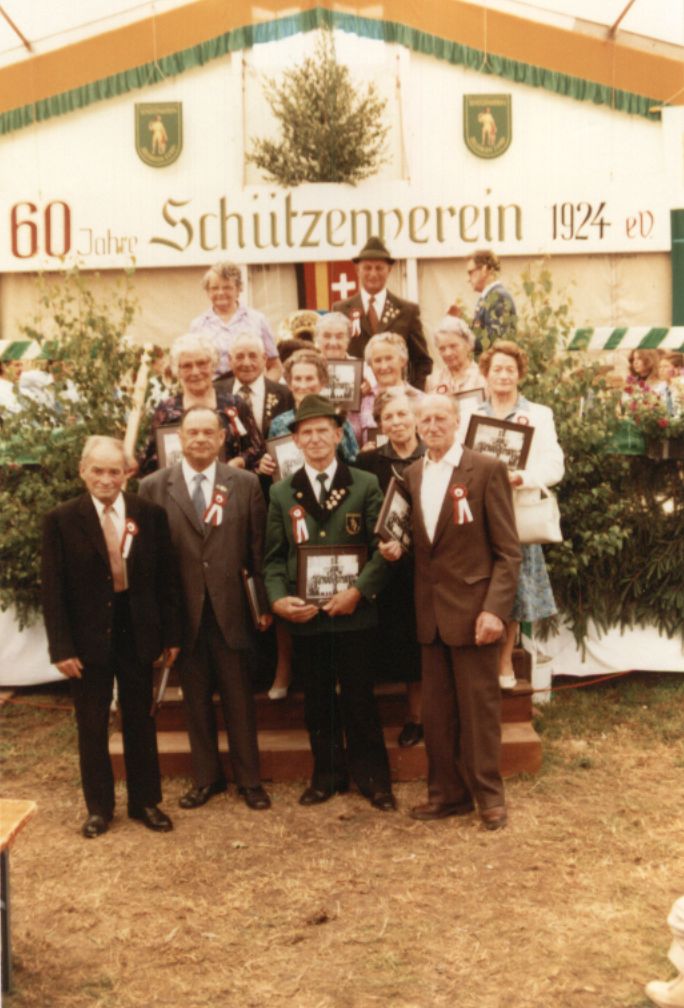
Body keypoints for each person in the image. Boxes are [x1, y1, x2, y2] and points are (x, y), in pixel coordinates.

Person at [380, 394, 520, 829]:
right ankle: (446, 794)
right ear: (416, 426)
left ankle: (489, 797)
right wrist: (396, 549)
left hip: (475, 613)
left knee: (479, 712)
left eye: (441, 418)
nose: (432, 426)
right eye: (425, 420)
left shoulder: (487, 469)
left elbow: (508, 553)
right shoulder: (412, 474)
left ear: (457, 421)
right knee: (437, 715)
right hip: (431, 614)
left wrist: (494, 610)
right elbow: (425, 543)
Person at [41, 436, 180, 838]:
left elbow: (166, 580)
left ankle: (145, 802)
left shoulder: (148, 514)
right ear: (83, 471)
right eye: (97, 471)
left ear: (127, 474)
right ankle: (99, 809)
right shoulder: (61, 520)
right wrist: (61, 647)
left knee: (140, 719)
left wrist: (171, 635)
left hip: (136, 630)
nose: (106, 479)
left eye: (114, 471)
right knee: (92, 723)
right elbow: (52, 590)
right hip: (87, 638)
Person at [264, 394, 395, 811]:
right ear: (295, 441)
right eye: (307, 432)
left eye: (323, 430)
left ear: (339, 435)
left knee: (359, 697)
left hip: (354, 612)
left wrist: (358, 592)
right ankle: (327, 775)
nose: (316, 438)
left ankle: (374, 780)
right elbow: (273, 558)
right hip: (308, 615)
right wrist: (278, 600)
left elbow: (383, 548)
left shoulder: (365, 484)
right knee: (317, 701)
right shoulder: (283, 492)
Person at [139, 407, 272, 812]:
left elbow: (258, 549)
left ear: (221, 439)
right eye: (192, 432)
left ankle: (249, 780)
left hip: (232, 608)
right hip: (183, 613)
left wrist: (262, 605)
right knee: (194, 701)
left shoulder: (245, 484)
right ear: (180, 438)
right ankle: (206, 778)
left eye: (207, 432)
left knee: (239, 699)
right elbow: (148, 561)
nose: (200, 439)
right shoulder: (153, 486)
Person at [470, 340, 564, 689]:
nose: (504, 375)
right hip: (477, 514)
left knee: (514, 587)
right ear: (486, 373)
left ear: (520, 374)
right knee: (478, 584)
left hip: (517, 515)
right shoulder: (471, 414)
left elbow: (555, 465)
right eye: (497, 369)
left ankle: (505, 658)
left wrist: (522, 477)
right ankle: (479, 662)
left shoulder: (539, 414)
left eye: (510, 369)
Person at [354, 390, 425, 745]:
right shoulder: (367, 461)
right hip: (381, 562)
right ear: (379, 424)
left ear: (415, 417)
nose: (396, 422)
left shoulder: (432, 455)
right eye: (388, 417)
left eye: (402, 414)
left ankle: (417, 718)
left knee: (416, 641)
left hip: (423, 565)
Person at [139, 332, 264, 475]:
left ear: (213, 365)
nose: (195, 371)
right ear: (177, 371)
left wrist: (240, 461)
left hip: (227, 484)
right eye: (187, 366)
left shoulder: (234, 404)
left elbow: (257, 449)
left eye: (201, 363)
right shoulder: (167, 410)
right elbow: (149, 460)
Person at [332, 236, 432, 390]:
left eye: (379, 268)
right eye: (367, 268)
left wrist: (410, 394)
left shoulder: (407, 310)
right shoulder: (341, 309)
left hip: (395, 396)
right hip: (356, 396)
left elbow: (422, 361)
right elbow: (335, 356)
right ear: (357, 270)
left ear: (389, 270)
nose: (373, 274)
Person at [190, 261, 281, 380]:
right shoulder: (198, 325)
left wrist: (262, 388)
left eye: (227, 287)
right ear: (207, 291)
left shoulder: (258, 320)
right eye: (214, 288)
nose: (221, 292)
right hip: (214, 388)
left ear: (238, 289)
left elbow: (275, 366)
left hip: (250, 388)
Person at [265, 349, 358, 463]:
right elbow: (276, 466)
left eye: (309, 379)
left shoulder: (338, 420)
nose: (303, 385)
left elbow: (354, 461)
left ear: (322, 382)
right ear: (289, 384)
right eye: (297, 379)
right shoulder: (278, 424)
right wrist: (266, 465)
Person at [216, 330, 293, 433]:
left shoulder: (285, 395)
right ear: (230, 360)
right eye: (240, 357)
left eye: (253, 356)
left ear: (264, 359)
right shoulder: (216, 392)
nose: (246, 363)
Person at [359, 333, 423, 441]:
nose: (384, 366)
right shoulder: (361, 400)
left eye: (389, 359)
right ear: (370, 365)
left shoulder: (421, 400)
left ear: (403, 361)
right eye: (377, 360)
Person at [450, 249, 516, 350]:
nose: (468, 279)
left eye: (470, 272)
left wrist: (464, 341)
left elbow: (494, 339)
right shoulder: (490, 296)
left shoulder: (498, 297)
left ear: (484, 270)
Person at [426, 316, 485, 396]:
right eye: (442, 348)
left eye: (453, 346)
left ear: (468, 344)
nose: (448, 353)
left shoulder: (483, 376)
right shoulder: (433, 381)